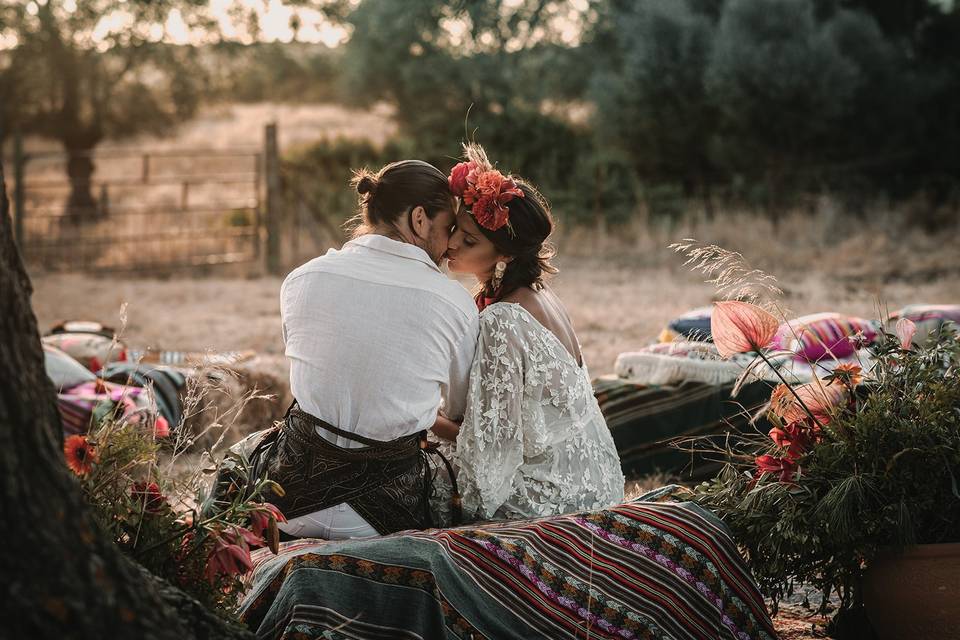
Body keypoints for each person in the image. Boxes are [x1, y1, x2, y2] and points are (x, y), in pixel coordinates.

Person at [248, 158, 479, 540]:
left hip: (288, 502)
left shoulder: (300, 279)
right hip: (385, 512)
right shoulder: (454, 302)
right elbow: (458, 409)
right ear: (419, 219)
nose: (449, 244)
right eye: (446, 228)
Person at [433, 143, 624, 523]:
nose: (452, 243)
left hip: (555, 495)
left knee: (414, 480)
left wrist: (418, 417)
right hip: (593, 480)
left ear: (504, 255)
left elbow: (492, 449)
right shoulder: (540, 294)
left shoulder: (503, 319)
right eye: (455, 229)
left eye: (470, 241)